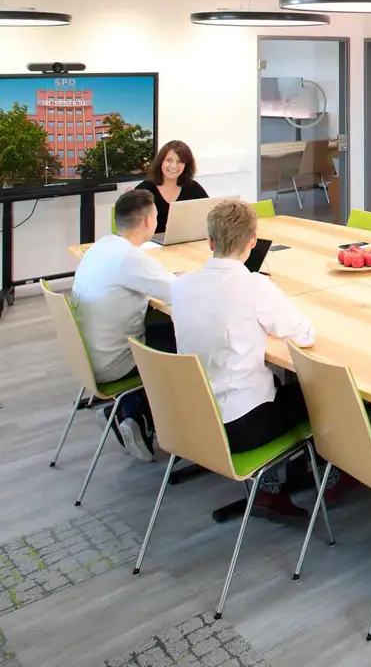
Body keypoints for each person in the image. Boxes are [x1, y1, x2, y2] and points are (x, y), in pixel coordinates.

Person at [171, 200, 351, 522]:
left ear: (210, 242)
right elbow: (304, 335)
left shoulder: (181, 285)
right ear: (253, 241)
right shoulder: (254, 286)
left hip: (197, 416)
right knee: (327, 396)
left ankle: (279, 480)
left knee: (280, 386)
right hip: (242, 424)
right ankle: (329, 477)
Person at [72, 189, 176, 461]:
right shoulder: (131, 259)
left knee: (162, 325)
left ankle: (123, 411)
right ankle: (138, 412)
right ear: (148, 221)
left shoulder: (101, 246)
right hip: (114, 361)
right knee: (185, 341)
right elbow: (178, 293)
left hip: (87, 355)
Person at [135, 140, 209, 234]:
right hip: (149, 242)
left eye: (180, 161)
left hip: (186, 241)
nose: (174, 166)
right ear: (161, 162)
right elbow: (132, 227)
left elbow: (210, 216)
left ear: (186, 165)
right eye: (169, 160)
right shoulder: (144, 189)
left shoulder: (194, 188)